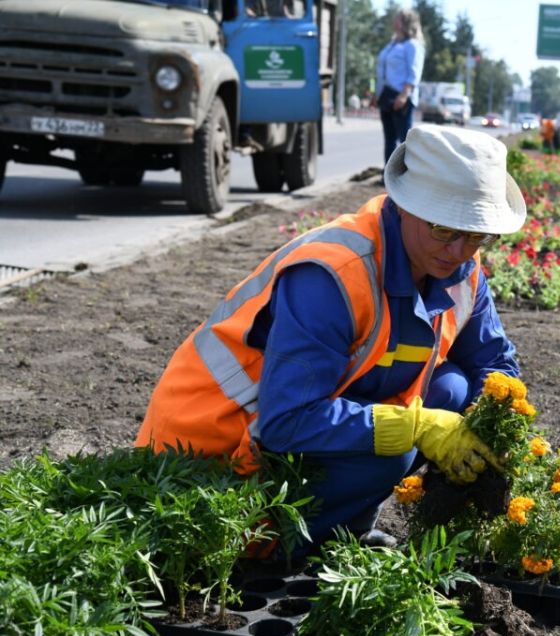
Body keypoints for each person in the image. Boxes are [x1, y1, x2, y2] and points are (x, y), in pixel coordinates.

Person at [135, 125, 526, 549]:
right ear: (404, 205)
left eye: (476, 234)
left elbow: (495, 364)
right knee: (395, 448)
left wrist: (501, 430)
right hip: (213, 454)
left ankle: (345, 527)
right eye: (443, 230)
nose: (459, 251)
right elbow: (287, 422)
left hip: (281, 428)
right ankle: (274, 545)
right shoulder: (333, 276)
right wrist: (415, 427)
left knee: (452, 389)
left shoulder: (459, 268)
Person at [375, 9, 425, 168]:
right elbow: (383, 70)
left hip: (402, 98)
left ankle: (408, 176)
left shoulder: (412, 45)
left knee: (404, 141)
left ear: (404, 23)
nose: (393, 21)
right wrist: (377, 94)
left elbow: (414, 72)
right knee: (389, 139)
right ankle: (388, 176)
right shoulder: (392, 44)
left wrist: (404, 95)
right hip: (387, 96)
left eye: (396, 18)